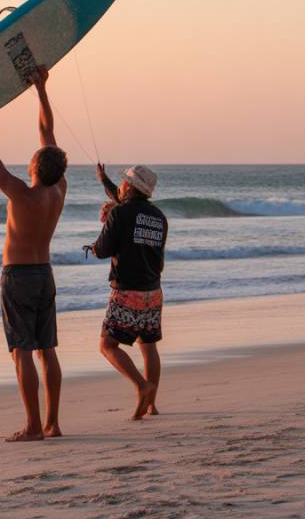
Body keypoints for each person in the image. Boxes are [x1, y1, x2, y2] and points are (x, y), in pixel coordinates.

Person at [0, 66, 68, 442]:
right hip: (44, 274)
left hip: (17, 277)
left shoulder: (20, 193)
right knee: (47, 349)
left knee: (22, 353)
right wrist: (41, 90)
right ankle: (53, 423)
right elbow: (48, 134)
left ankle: (32, 426)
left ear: (34, 167)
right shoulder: (58, 190)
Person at [88, 164, 168, 420]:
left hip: (127, 292)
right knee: (149, 345)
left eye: (124, 182)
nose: (120, 185)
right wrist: (104, 180)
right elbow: (135, 229)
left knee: (107, 345)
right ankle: (151, 403)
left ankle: (141, 386)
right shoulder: (159, 217)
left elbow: (102, 250)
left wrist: (99, 235)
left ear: (131, 188)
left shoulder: (119, 214)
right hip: (153, 290)